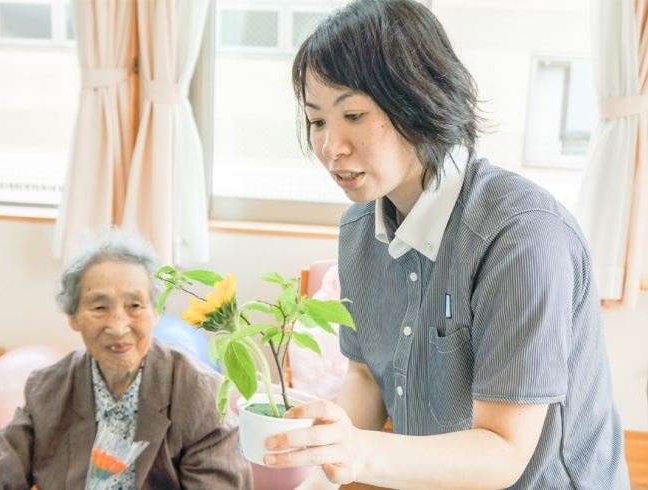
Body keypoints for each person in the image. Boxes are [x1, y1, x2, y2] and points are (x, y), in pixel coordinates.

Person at [264, 1, 631, 489]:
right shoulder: (358, 228)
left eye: (352, 114)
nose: (331, 146)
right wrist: (323, 472)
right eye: (317, 121)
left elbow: (502, 451)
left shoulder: (522, 237)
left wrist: (361, 451)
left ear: (417, 99)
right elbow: (367, 378)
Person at [0, 230, 252, 490]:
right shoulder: (50, 388)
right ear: (73, 316)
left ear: (156, 312)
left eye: (135, 306)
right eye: (99, 307)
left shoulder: (199, 393)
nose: (117, 326)